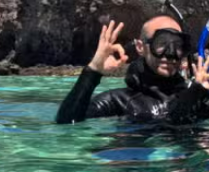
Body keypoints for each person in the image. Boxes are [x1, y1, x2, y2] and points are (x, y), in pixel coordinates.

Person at [56, 16, 189, 123]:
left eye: (177, 46)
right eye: (161, 44)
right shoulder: (119, 101)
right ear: (140, 47)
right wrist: (93, 71)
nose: (171, 53)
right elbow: (67, 122)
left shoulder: (194, 97)